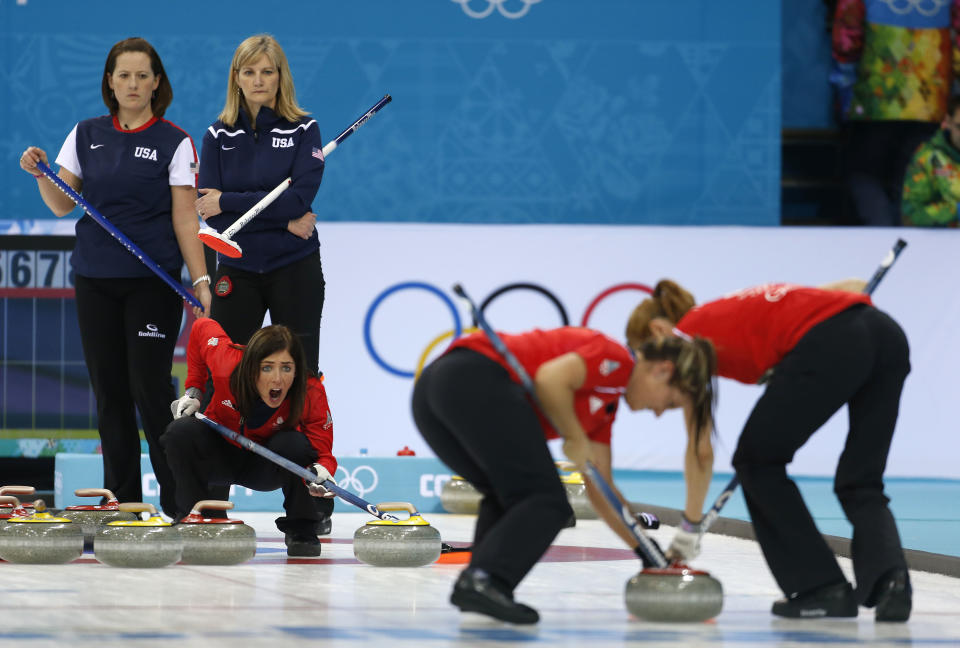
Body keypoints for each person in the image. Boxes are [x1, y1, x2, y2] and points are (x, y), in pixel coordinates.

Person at [626, 279, 912, 621]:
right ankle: (890, 581)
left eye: (640, 355)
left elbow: (700, 449)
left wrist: (688, 530)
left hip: (833, 341)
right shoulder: (723, 309)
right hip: (886, 334)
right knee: (860, 479)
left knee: (756, 461)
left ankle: (821, 588)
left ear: (659, 333)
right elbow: (848, 286)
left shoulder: (683, 343)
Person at [17, 37, 211, 518]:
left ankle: (181, 501)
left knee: (150, 387)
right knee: (110, 393)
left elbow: (186, 218)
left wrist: (201, 280)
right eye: (123, 75)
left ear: (157, 83)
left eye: (142, 75)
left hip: (153, 281)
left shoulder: (175, 141)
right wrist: (42, 174)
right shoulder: (85, 134)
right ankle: (124, 503)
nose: (132, 83)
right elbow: (63, 203)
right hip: (95, 279)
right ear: (109, 81)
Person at [412, 326, 717, 624]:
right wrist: (574, 437)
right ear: (662, 370)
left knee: (509, 495)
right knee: (547, 501)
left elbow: (602, 489)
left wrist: (646, 552)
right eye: (672, 401)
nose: (661, 411)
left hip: (433, 392)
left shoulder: (604, 410)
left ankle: (480, 584)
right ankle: (485, 581)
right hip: (471, 376)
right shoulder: (616, 359)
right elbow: (550, 378)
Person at [196, 34, 326, 372]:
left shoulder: (305, 130)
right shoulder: (217, 135)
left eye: (267, 72)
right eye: (249, 71)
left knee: (300, 374)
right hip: (239, 270)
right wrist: (283, 222)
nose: (258, 81)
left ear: (280, 77)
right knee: (227, 374)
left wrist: (227, 200)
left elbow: (298, 201)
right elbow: (213, 217)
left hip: (295, 267)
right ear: (236, 77)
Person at [162, 318, 336, 556]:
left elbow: (321, 449)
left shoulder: (309, 389)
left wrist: (322, 470)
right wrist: (194, 390)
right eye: (267, 367)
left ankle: (302, 531)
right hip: (220, 454)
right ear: (252, 366)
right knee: (180, 432)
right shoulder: (226, 363)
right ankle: (196, 519)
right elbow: (201, 327)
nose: (277, 378)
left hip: (267, 465)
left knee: (294, 444)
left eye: (286, 367)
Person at [830, 0, 960, 226]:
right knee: (912, 180)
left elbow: (847, 40)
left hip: (873, 101)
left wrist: (844, 87)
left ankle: (881, 235)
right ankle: (901, 239)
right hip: (930, 101)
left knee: (864, 176)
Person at [901, 94, 960, 227]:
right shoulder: (928, 157)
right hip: (943, 242)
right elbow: (911, 216)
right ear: (948, 122)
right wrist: (955, 210)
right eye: (959, 127)